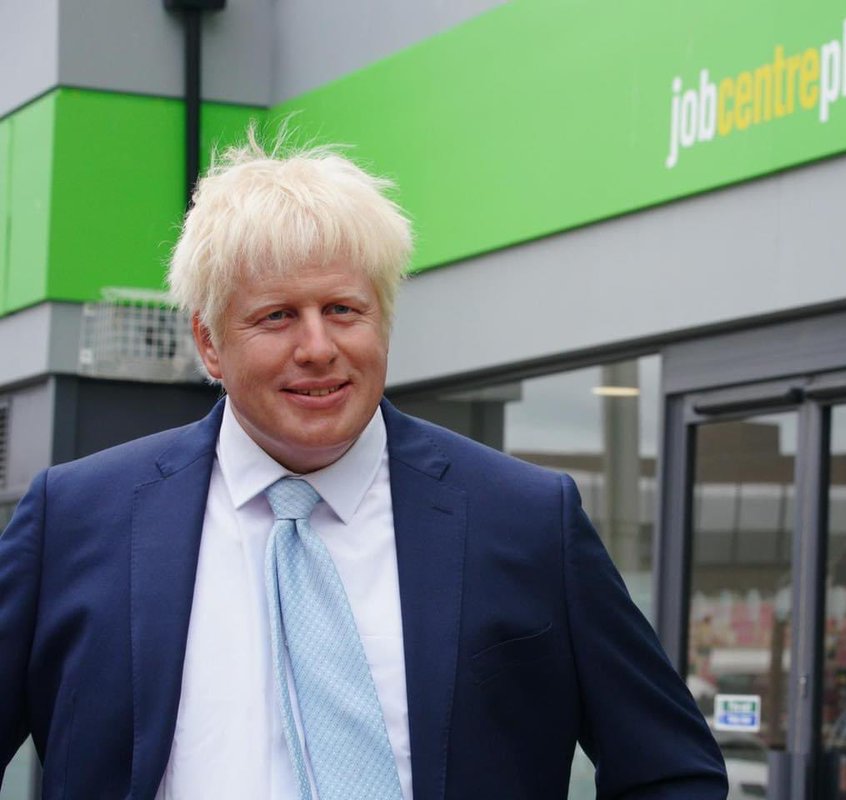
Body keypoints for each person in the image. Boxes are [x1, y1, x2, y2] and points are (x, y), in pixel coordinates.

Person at [0, 136, 727, 799]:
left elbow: (672, 771)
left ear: (383, 318)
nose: (319, 348)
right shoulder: (76, 521)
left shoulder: (526, 519)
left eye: (344, 309)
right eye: (278, 316)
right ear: (210, 343)